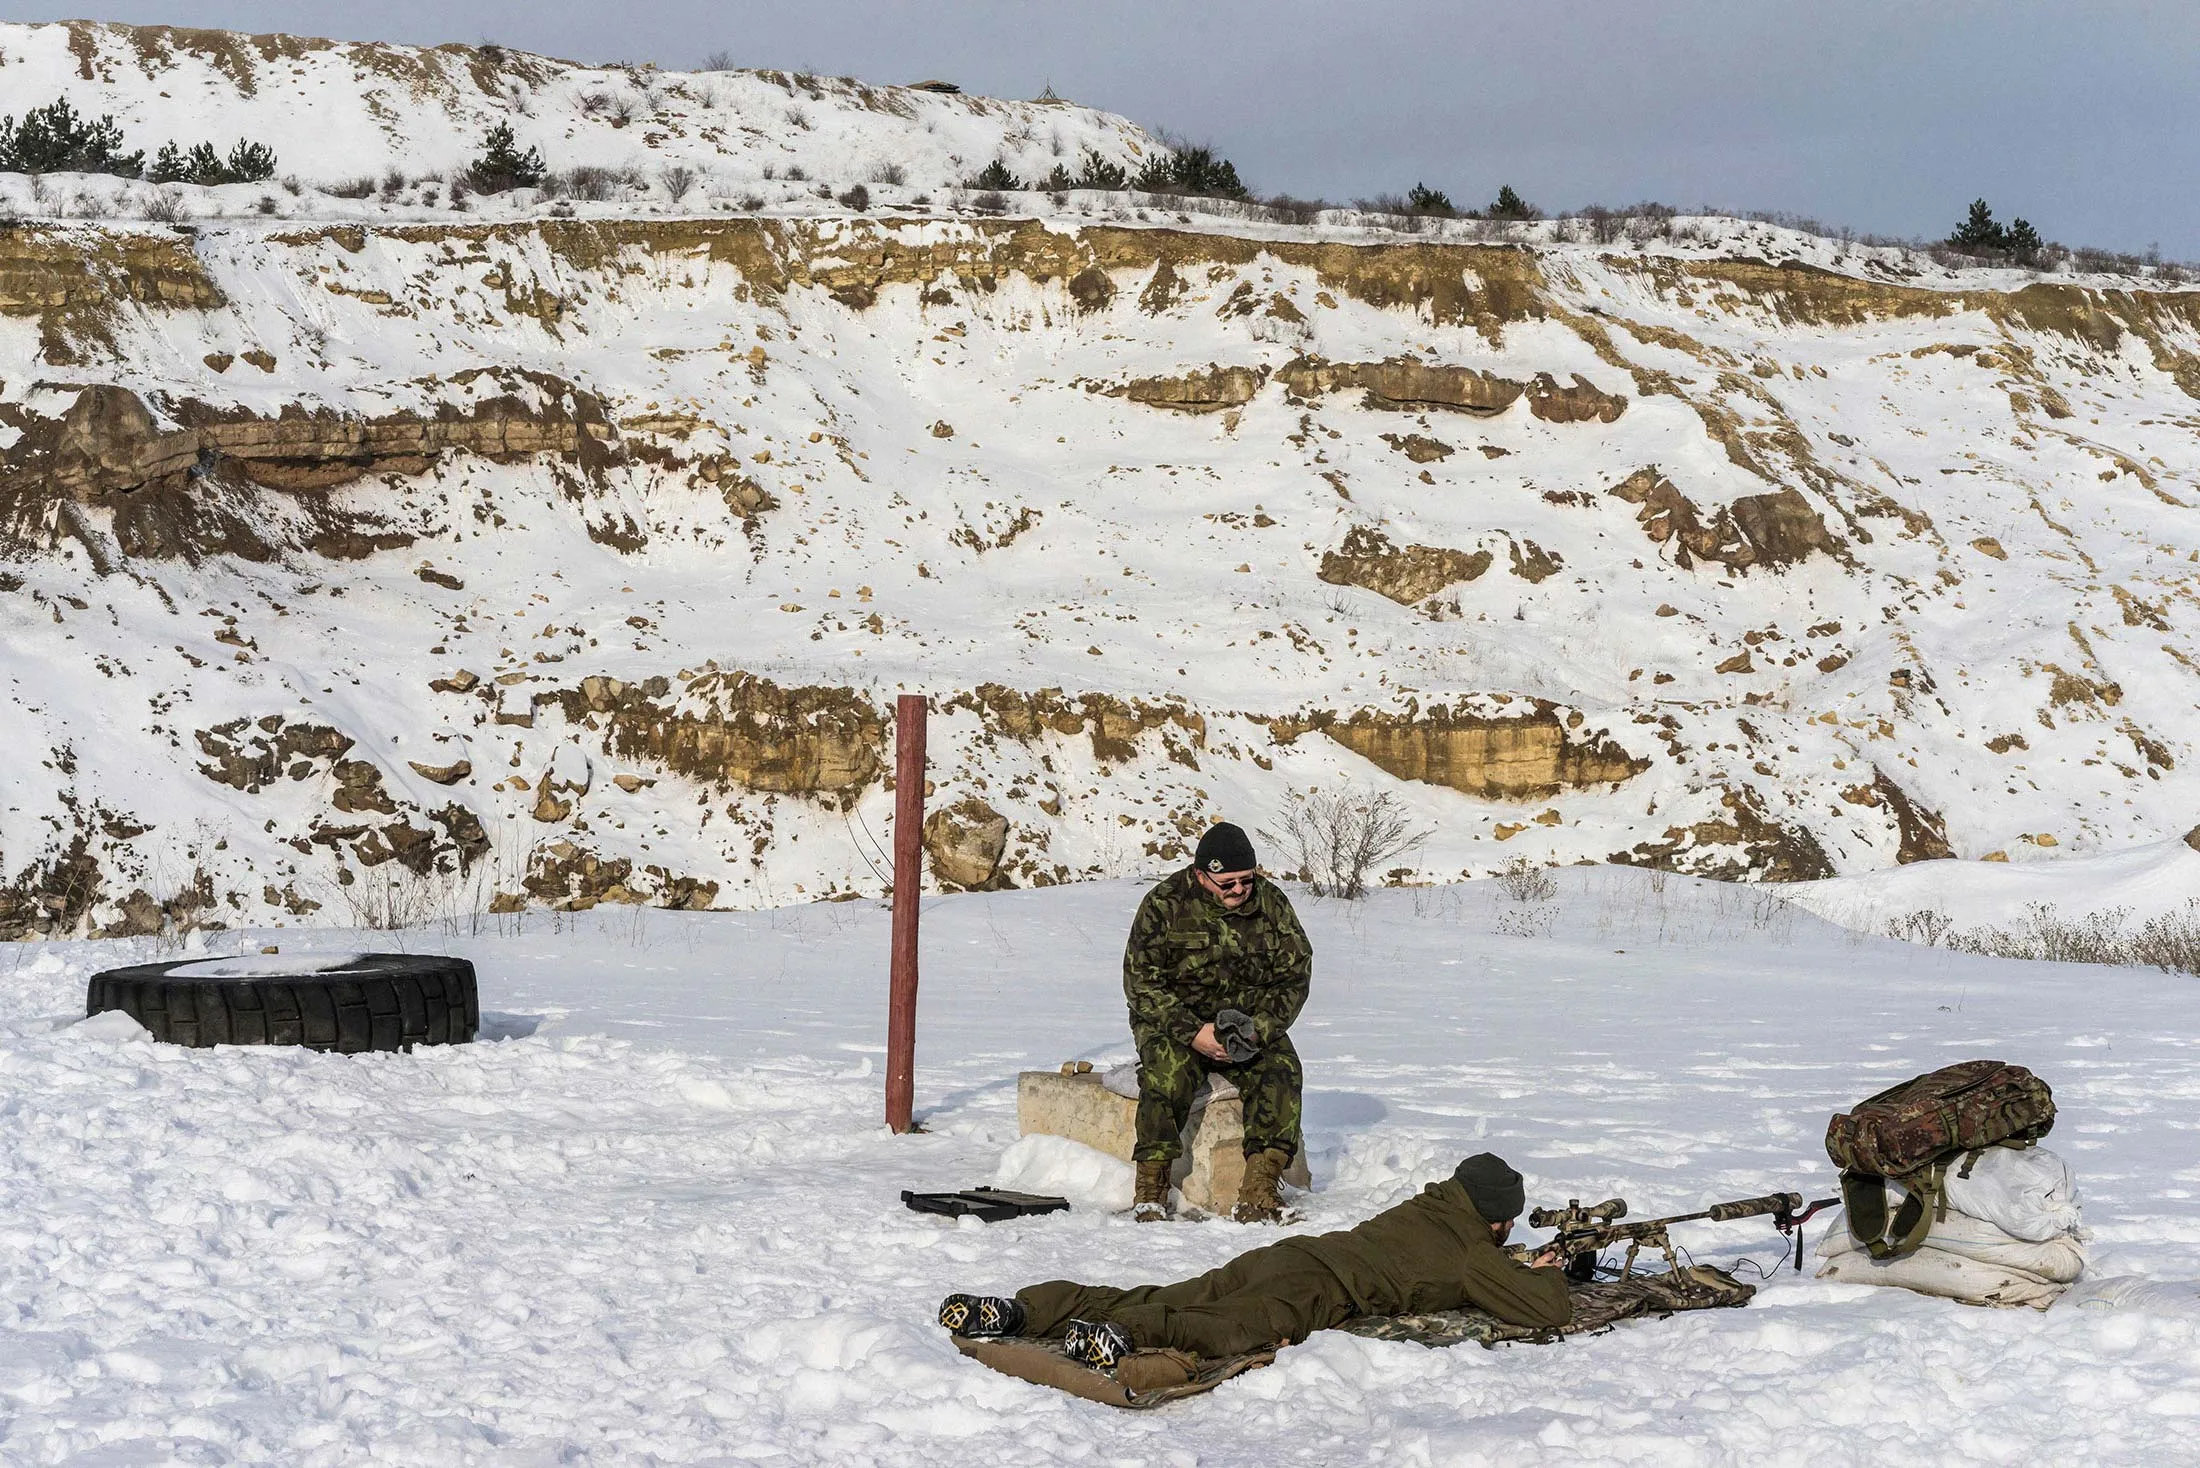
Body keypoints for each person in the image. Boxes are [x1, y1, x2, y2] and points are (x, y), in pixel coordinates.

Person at [938, 1153, 1572, 1367]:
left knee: (1162, 1290)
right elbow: (1545, 1310)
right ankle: (1118, 1340)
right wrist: (1545, 1273)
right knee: (1224, 1328)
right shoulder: (1471, 1253)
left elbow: (1441, 1249)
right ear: (1497, 1218)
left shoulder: (1428, 1208)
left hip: (1289, 1255)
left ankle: (1023, 1310)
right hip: (1319, 1289)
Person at [1122, 822, 1311, 1223]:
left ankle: (1259, 1190)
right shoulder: (1164, 904)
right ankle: (1151, 1187)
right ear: (1200, 875)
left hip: (1247, 1023)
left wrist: (1258, 1029)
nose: (1239, 891)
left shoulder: (1271, 904)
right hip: (1175, 1023)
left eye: (1246, 880)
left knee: (1281, 1072)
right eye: (1227, 883)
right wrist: (1193, 1034)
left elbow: (1294, 977)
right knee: (1167, 1078)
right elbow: (1141, 984)